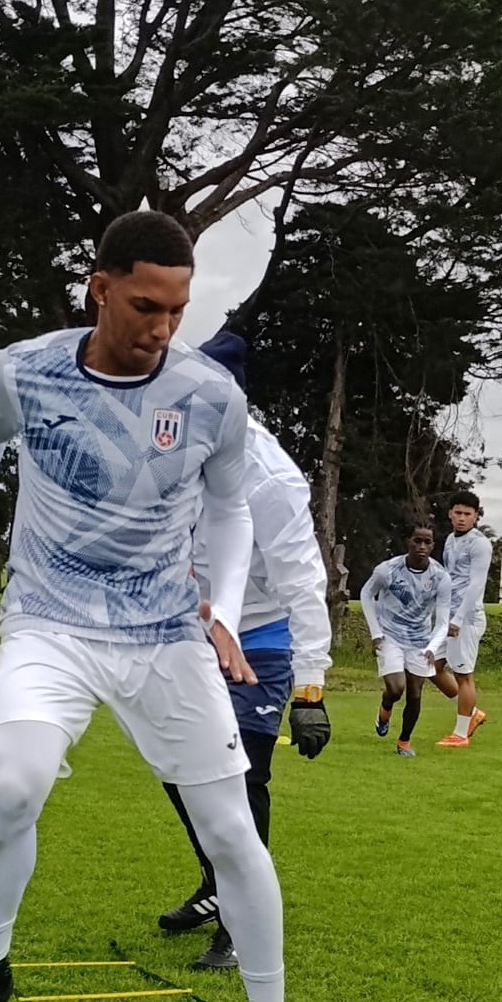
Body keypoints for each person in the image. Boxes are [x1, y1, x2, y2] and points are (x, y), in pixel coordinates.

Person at [0, 211, 310, 1002]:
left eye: (179, 309)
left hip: (164, 634)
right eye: (145, 304)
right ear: (99, 284)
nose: (161, 327)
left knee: (233, 834)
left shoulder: (210, 397)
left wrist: (222, 611)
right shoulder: (24, 368)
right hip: (50, 621)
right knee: (12, 790)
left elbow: (230, 511)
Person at [155, 329, 333, 968]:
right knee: (178, 774)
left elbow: (305, 582)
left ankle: (241, 919)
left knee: (239, 776)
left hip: (261, 638)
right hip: (184, 633)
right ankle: (216, 881)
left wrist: (310, 689)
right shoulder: (167, 447)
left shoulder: (270, 478)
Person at [360, 525, 451, 758]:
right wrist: (375, 632)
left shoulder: (440, 577)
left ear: (433, 545)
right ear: (408, 541)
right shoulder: (387, 570)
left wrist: (432, 647)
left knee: (416, 693)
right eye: (417, 541)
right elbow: (366, 594)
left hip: (420, 640)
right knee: (396, 687)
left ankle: (404, 741)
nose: (422, 547)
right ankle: (385, 709)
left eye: (427, 542)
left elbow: (442, 622)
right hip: (390, 634)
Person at [433, 491, 492, 749]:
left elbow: (476, 586)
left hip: (466, 619)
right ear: (450, 513)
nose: (462, 518)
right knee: (431, 666)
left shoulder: (480, 544)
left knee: (463, 675)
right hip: (446, 616)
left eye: (468, 514)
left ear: (476, 516)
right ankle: (472, 713)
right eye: (458, 513)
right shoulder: (449, 540)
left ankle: (460, 734)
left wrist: (457, 619)